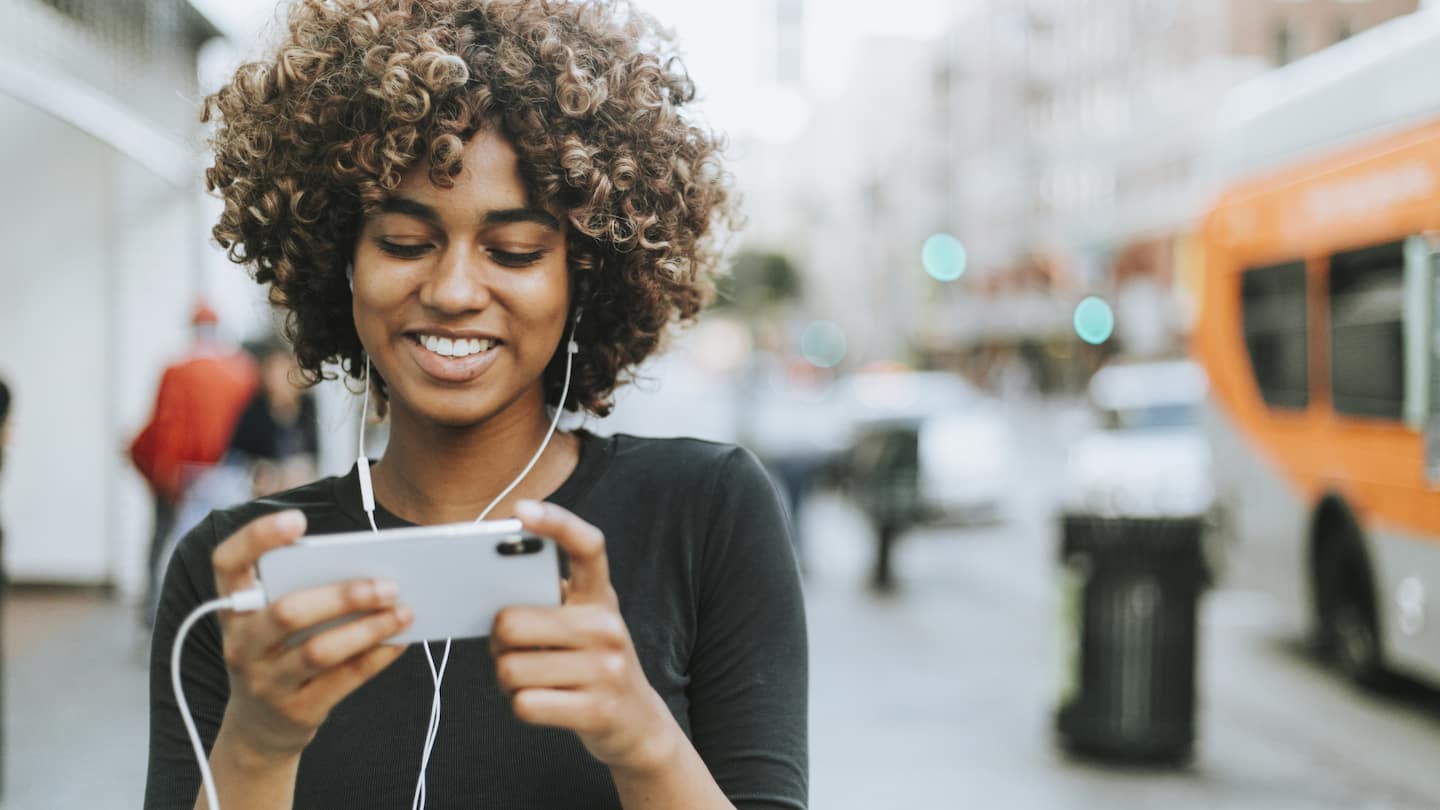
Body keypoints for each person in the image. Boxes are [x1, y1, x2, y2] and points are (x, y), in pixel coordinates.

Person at [144, 2, 808, 809]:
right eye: (403, 242)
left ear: (584, 274)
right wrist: (258, 742)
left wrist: (643, 741)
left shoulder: (707, 515)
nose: (454, 291)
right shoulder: (238, 569)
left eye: (516, 251)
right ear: (338, 262)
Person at [130, 303, 259, 624]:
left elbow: (167, 426)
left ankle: (158, 616)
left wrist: (163, 475)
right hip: (227, 473)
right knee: (223, 543)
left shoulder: (177, 372)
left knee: (165, 544)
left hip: (182, 474)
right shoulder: (242, 372)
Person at [228, 339, 320, 498]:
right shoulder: (254, 410)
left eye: (284, 371)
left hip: (300, 488)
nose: (278, 379)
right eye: (273, 372)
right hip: (264, 490)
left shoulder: (307, 406)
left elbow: (313, 452)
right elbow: (236, 457)